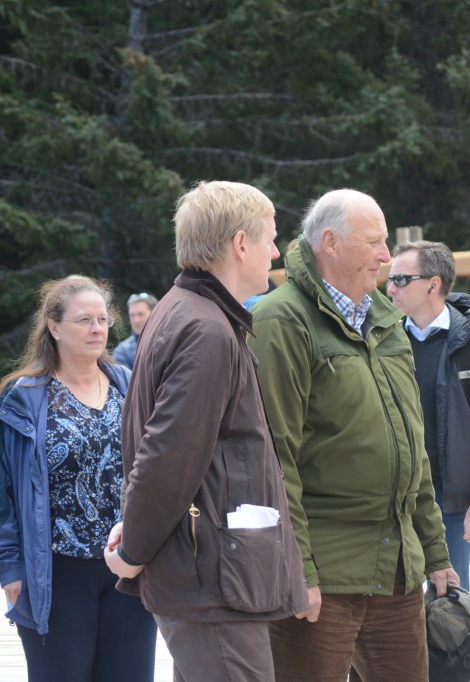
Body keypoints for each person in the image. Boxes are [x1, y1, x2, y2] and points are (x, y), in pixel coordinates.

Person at [249, 188, 459, 681]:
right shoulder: (281, 320)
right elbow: (275, 459)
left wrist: (435, 553)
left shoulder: (387, 322)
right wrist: (298, 569)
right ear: (331, 243)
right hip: (325, 576)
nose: (387, 256)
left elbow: (414, 448)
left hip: (398, 572)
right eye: (375, 242)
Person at [103, 181, 307, 682]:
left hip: (212, 574)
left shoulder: (187, 313)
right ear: (240, 244)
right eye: (270, 238)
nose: (276, 252)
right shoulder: (206, 330)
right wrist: (133, 552)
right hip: (213, 581)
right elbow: (167, 460)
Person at [0, 275, 157, 682]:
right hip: (54, 573)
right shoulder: (22, 397)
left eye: (103, 319)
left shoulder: (129, 384)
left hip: (128, 566)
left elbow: (155, 466)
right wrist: (8, 568)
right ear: (54, 327)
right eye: (83, 320)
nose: (96, 329)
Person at [386, 240, 470, 591]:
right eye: (389, 278)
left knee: (451, 609)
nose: (389, 287)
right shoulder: (384, 339)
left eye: (400, 278)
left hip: (452, 500)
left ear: (433, 284)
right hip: (395, 497)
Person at [112, 292, 158, 369]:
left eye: (140, 314)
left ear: (155, 314)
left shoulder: (170, 342)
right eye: (132, 315)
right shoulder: (122, 352)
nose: (136, 320)